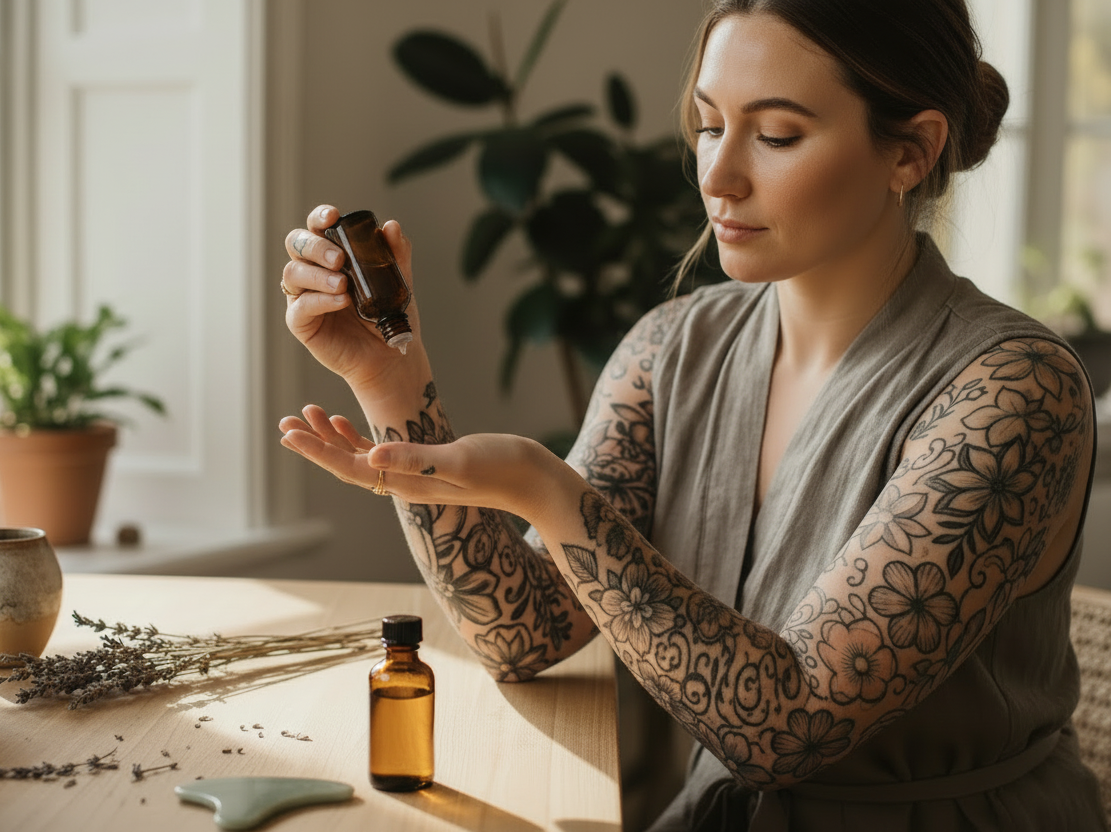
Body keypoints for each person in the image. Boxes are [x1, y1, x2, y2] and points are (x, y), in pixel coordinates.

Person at [278, 0, 1107, 828]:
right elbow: (526, 631)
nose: (717, 176)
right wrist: (393, 382)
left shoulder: (1014, 390)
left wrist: (545, 490)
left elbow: (790, 727)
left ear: (911, 151)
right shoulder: (672, 349)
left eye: (776, 135)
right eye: (711, 125)